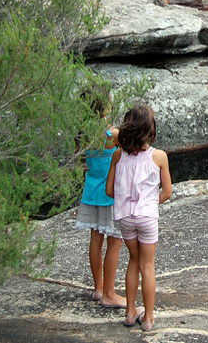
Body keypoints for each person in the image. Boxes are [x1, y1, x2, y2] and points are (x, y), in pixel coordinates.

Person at [106, 104, 173, 331]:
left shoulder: (118, 155)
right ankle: (148, 318)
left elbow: (109, 190)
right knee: (148, 266)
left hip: (125, 217)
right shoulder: (159, 157)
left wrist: (127, 200)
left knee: (133, 261)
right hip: (146, 216)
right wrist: (150, 203)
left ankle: (129, 312)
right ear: (150, 130)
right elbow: (167, 191)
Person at [74, 90, 126, 309]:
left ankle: (98, 288)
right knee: (115, 242)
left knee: (95, 240)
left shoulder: (81, 134)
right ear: (103, 107)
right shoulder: (112, 134)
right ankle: (110, 293)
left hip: (91, 192)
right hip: (110, 194)